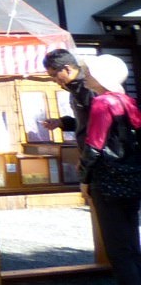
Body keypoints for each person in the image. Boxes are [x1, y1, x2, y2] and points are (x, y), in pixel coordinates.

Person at [80, 54, 141, 285]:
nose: (86, 75)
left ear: (100, 76)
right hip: (132, 178)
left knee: (118, 248)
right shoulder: (128, 101)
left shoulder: (102, 103)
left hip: (108, 180)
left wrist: (84, 178)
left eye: (89, 72)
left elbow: (94, 144)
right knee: (132, 243)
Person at [43, 48, 97, 138]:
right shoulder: (74, 89)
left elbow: (101, 125)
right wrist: (61, 123)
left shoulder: (88, 87)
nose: (54, 80)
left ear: (67, 69)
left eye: (54, 75)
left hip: (100, 149)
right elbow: (84, 124)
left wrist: (94, 151)